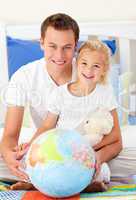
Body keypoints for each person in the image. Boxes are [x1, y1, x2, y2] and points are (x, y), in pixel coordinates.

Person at [0, 13, 122, 185]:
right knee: (6, 161)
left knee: (124, 159)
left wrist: (91, 154)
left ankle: (52, 181)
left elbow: (116, 138)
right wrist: (11, 157)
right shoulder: (24, 76)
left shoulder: (90, 73)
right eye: (52, 46)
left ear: (76, 46)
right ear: (41, 43)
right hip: (46, 147)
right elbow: (10, 135)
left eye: (67, 47)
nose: (59, 55)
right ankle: (77, 182)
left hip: (89, 147)